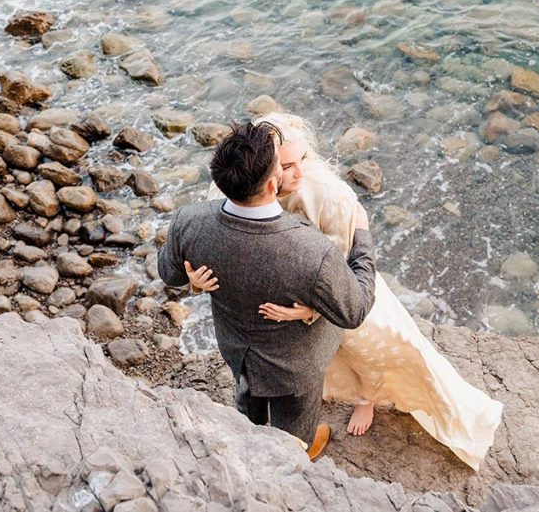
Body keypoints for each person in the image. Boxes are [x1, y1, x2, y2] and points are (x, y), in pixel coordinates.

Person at [188, 113, 503, 471]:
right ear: (264, 171)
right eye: (286, 165)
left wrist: (312, 310)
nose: (298, 174)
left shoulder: (331, 197)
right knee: (304, 372)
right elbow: (220, 241)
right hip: (280, 316)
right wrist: (196, 280)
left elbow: (343, 274)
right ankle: (294, 442)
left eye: (303, 160)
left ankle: (366, 398)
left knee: (366, 351)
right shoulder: (238, 185)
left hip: (335, 292)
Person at [157, 121, 377, 461]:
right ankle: (295, 455)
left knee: (247, 402)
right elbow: (355, 310)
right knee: (296, 427)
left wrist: (192, 282)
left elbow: (169, 274)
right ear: (273, 185)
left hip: (237, 347)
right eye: (284, 164)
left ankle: (250, 437)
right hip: (296, 364)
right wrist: (362, 237)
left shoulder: (188, 221)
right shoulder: (310, 250)